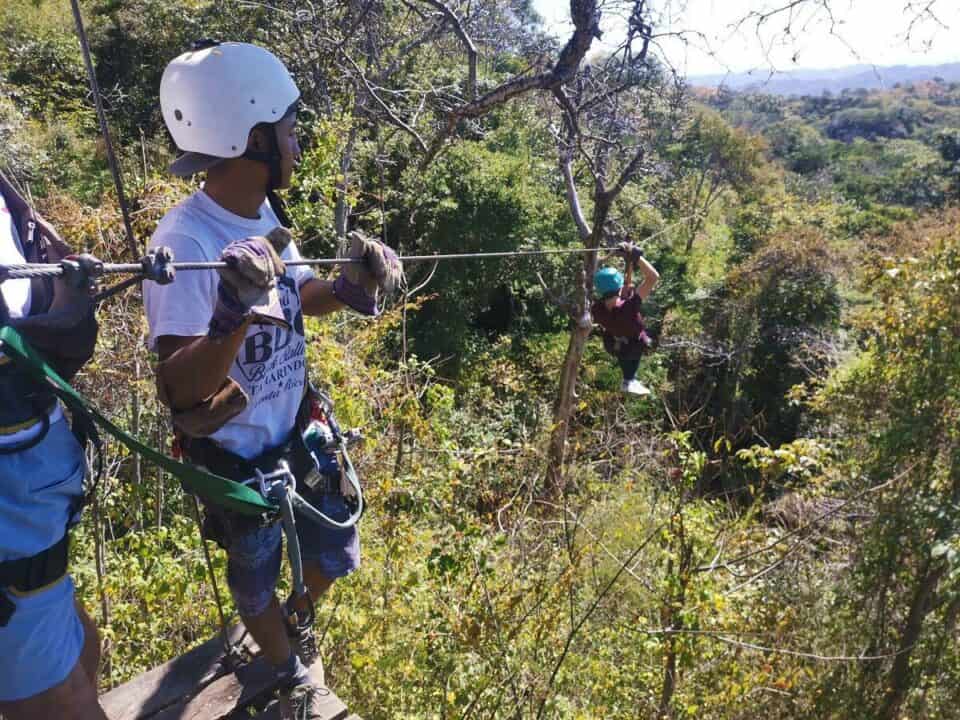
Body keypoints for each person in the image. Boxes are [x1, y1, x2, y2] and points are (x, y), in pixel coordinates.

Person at [143, 41, 401, 719]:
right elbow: (179, 389)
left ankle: (298, 616)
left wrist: (346, 288)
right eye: (287, 130)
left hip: (294, 425)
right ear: (252, 137)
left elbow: (298, 291)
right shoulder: (188, 243)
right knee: (251, 574)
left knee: (337, 542)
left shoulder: (264, 219)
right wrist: (231, 313)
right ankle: (285, 668)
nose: (295, 142)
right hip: (235, 453)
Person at [0, 171, 107, 719]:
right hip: (13, 520)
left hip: (34, 493)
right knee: (63, 702)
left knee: (84, 650)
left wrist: (67, 300)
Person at [591, 242, 660, 396]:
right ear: (619, 288)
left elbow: (613, 302)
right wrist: (637, 257)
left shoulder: (597, 310)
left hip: (616, 344)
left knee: (624, 343)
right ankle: (629, 380)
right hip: (633, 346)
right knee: (642, 339)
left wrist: (624, 288)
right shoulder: (629, 308)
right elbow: (653, 277)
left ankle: (628, 379)